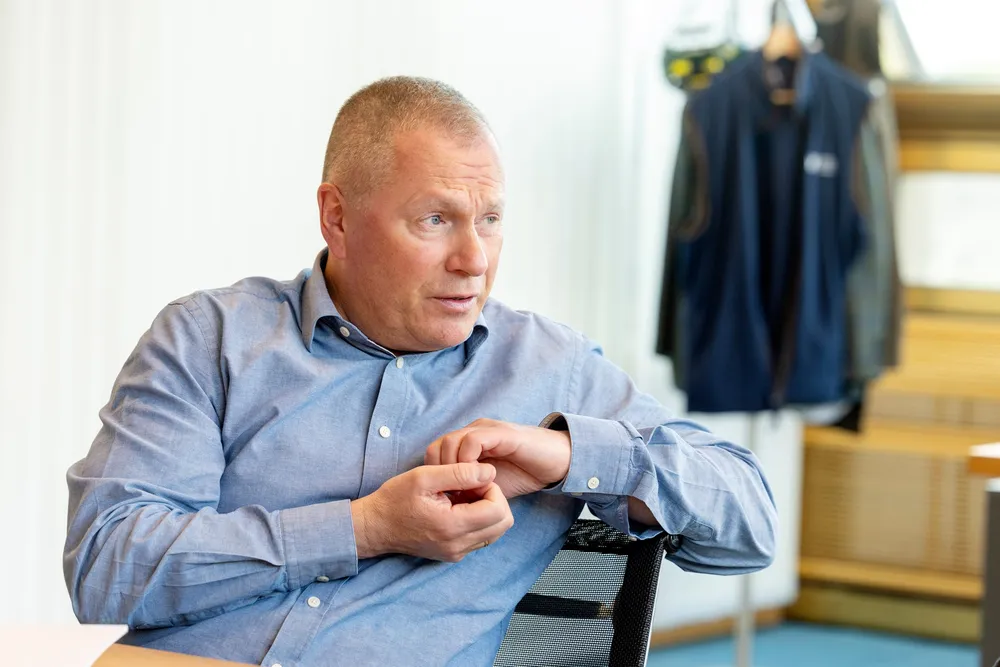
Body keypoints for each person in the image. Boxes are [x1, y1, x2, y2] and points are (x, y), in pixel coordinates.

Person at [64, 76, 777, 667]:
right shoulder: (210, 339)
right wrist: (364, 527)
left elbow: (749, 522)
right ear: (337, 218)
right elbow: (106, 569)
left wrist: (569, 454)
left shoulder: (550, 368)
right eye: (435, 219)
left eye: (490, 219)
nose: (475, 260)